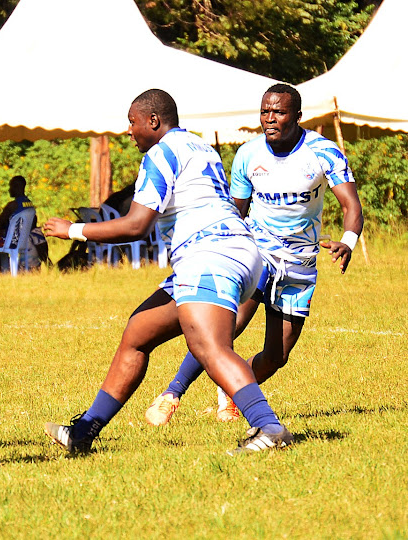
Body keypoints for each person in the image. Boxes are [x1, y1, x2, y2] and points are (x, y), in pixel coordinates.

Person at [43, 89, 292, 455]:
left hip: (209, 254)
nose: (129, 131)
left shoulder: (161, 153)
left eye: (133, 122)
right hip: (238, 249)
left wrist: (74, 230)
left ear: (154, 121)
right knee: (138, 332)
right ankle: (83, 431)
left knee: (209, 347)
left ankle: (269, 426)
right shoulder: (200, 147)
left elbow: (136, 225)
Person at [145, 83, 364, 425]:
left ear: (298, 116)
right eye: (265, 111)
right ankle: (171, 394)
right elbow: (234, 211)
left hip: (300, 264)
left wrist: (348, 242)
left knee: (277, 356)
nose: (269, 118)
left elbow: (351, 205)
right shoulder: (248, 154)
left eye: (278, 112)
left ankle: (234, 389)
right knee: (227, 328)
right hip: (258, 253)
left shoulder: (324, 152)